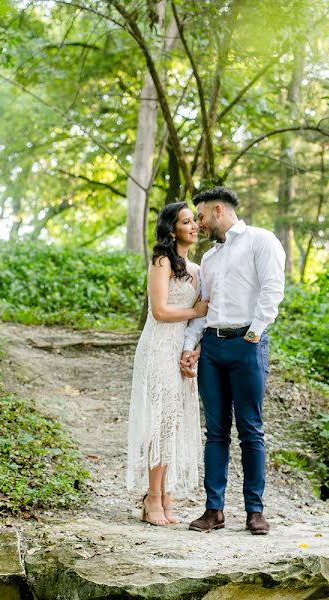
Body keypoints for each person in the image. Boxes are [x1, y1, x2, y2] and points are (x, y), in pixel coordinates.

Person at [180, 187, 286, 535]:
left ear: (218, 211)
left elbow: (273, 289)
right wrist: (189, 344)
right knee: (215, 432)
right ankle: (214, 510)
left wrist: (254, 334)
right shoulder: (209, 259)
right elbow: (204, 306)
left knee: (251, 430)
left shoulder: (261, 240)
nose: (199, 223)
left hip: (247, 344)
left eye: (201, 216)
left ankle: (255, 511)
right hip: (212, 348)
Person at [126, 202, 208, 526]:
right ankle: (153, 496)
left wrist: (194, 351)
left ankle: (167, 491)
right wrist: (196, 312)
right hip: (158, 345)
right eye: (186, 222)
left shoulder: (199, 269)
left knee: (174, 422)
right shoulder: (161, 261)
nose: (193, 226)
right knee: (159, 421)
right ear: (172, 229)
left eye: (194, 221)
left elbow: (199, 324)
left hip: (181, 348)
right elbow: (159, 311)